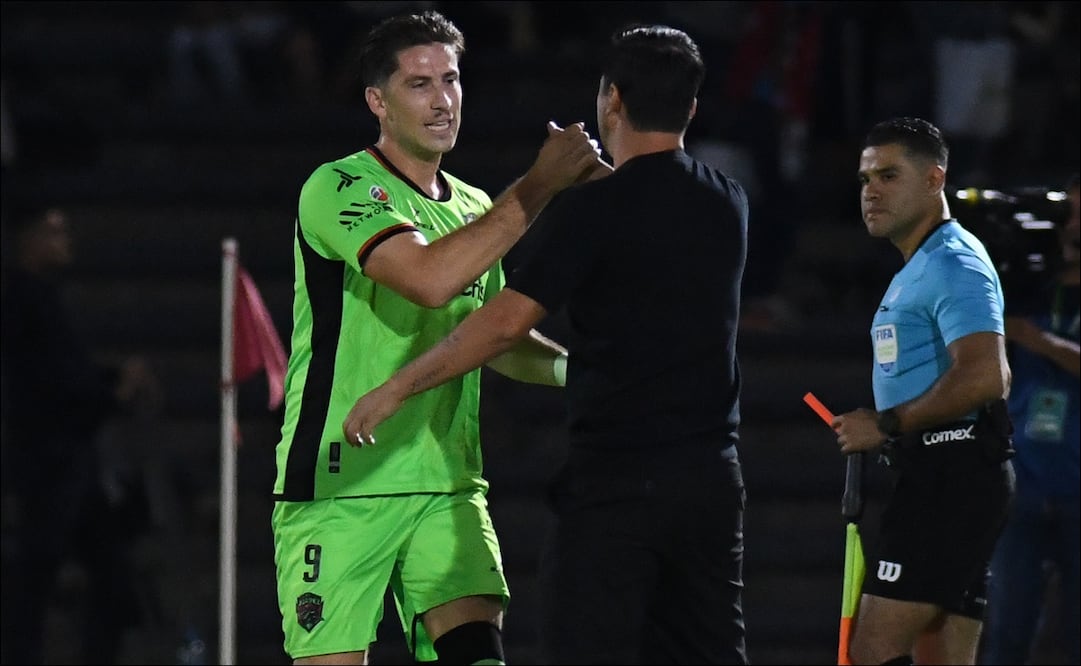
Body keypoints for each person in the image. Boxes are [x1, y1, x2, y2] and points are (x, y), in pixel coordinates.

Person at [343, 24, 750, 665]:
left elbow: (502, 324)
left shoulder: (595, 210)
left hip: (617, 484)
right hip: (712, 483)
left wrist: (397, 385)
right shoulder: (729, 202)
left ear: (610, 100)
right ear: (691, 107)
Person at [269, 9, 606, 665]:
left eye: (450, 80)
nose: (442, 99)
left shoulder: (475, 207)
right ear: (378, 101)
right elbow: (427, 279)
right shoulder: (337, 186)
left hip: (447, 487)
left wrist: (584, 372)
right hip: (343, 488)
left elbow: (494, 337)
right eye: (419, 84)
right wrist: (540, 185)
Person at [830, 117, 1016, 665]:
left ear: (936, 179)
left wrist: (886, 424)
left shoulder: (953, 262)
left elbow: (987, 375)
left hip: (950, 478)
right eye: (865, 180)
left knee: (869, 655)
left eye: (889, 175)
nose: (872, 191)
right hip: (946, 474)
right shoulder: (922, 263)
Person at [0, 205, 162, 665]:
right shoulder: (23, 300)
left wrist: (112, 382)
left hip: (71, 464)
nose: (65, 238)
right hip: (50, 465)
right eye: (54, 231)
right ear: (29, 239)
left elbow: (71, 374)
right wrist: (115, 391)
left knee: (106, 578)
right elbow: (53, 384)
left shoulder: (41, 297)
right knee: (37, 580)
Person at [981, 173, 1080, 664]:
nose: (1072, 229)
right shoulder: (1025, 286)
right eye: (1066, 216)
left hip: (1078, 487)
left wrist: (1035, 338)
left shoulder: (1030, 318)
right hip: (1024, 484)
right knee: (1007, 630)